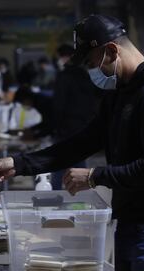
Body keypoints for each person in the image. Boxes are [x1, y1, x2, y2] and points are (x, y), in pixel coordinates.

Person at [0, 14, 144, 271]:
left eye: (90, 63)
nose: (91, 72)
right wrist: (20, 163)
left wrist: (95, 176)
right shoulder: (121, 92)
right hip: (131, 222)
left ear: (112, 51)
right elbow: (83, 142)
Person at [50, 43, 100, 190]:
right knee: (79, 160)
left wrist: (55, 126)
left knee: (59, 163)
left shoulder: (64, 75)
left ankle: (55, 195)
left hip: (65, 126)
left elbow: (59, 104)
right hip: (83, 124)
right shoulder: (85, 74)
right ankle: (81, 192)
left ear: (65, 57)